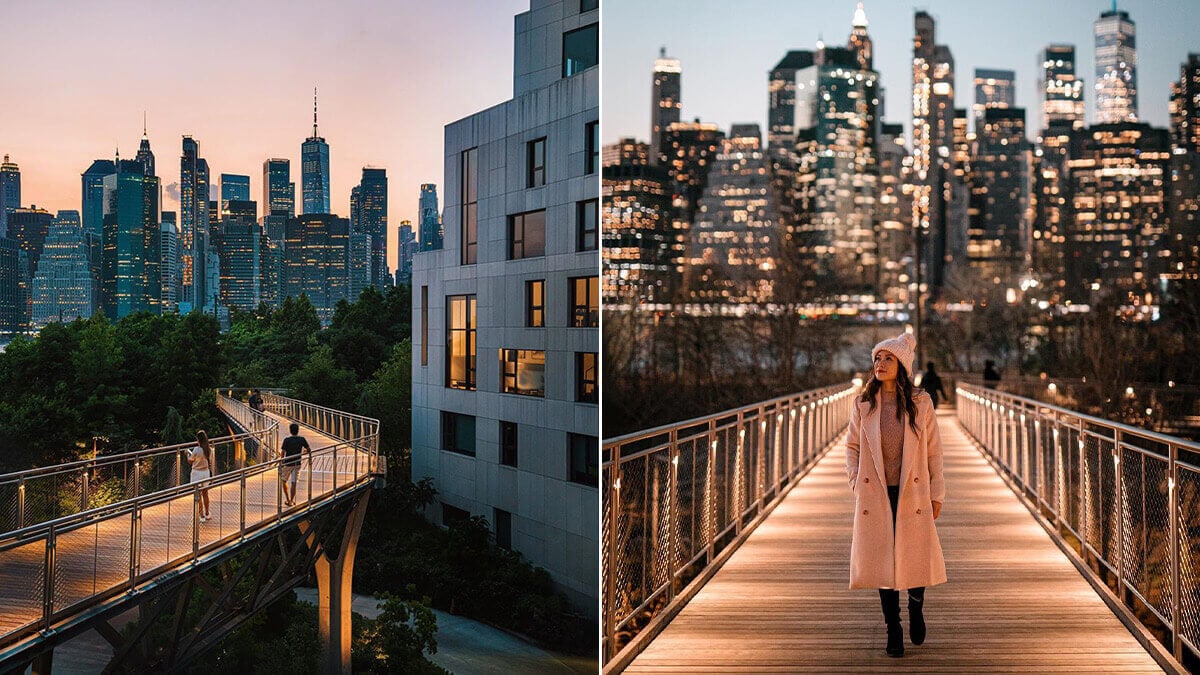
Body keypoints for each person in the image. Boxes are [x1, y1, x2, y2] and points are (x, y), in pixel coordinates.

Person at [845, 333, 946, 658]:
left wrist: (937, 493)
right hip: (875, 494)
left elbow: (934, 452)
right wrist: (855, 481)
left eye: (887, 358)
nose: (880, 364)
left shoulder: (921, 403)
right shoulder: (863, 404)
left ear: (901, 365)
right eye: (877, 358)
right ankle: (893, 628)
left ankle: (916, 605)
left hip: (912, 492)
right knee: (880, 561)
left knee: (913, 553)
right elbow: (852, 447)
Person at [280, 422, 311, 507]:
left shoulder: (287, 440)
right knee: (294, 483)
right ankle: (292, 500)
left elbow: (283, 452)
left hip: (288, 463)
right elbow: (309, 449)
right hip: (297, 463)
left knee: (283, 480)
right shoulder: (302, 439)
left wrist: (282, 462)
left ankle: (288, 499)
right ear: (298, 431)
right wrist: (304, 452)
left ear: (290, 431)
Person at [186, 430, 213, 522]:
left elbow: (190, 461)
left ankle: (201, 515)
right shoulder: (209, 450)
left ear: (198, 439)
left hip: (196, 473)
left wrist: (187, 455)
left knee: (198, 495)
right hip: (205, 473)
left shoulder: (196, 450)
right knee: (205, 493)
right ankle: (207, 513)